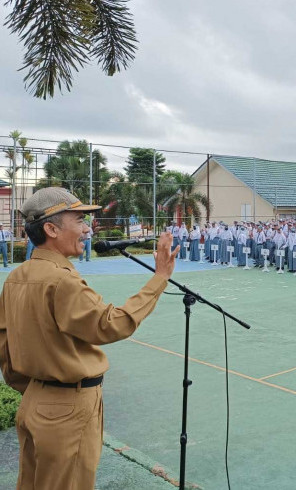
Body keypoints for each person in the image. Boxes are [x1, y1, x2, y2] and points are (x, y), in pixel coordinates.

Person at [0, 187, 179, 490]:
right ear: (51, 228)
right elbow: (112, 324)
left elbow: (4, 346)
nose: (87, 229)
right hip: (68, 407)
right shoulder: (61, 279)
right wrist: (159, 278)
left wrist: (37, 391)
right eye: (80, 220)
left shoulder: (17, 276)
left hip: (34, 401)